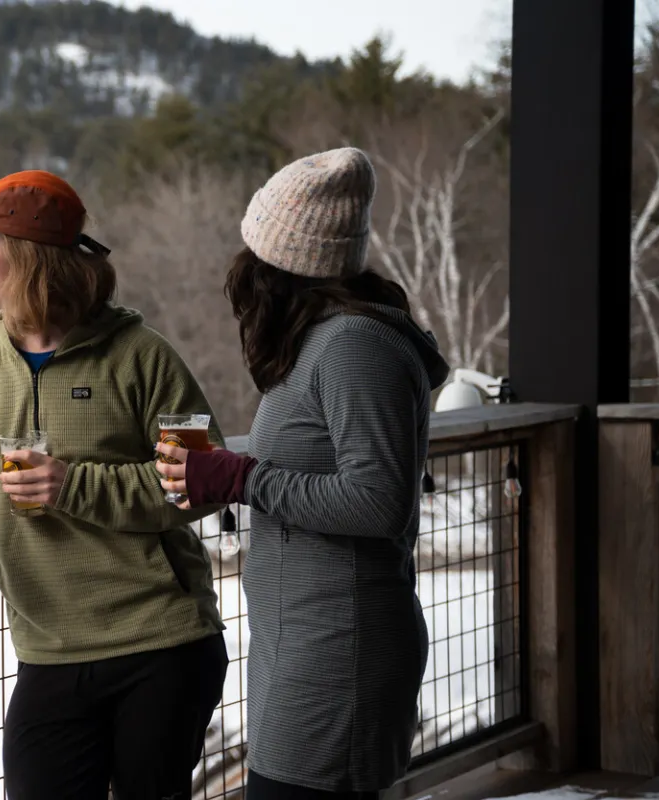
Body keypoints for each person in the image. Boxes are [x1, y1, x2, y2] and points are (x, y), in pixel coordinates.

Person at [0, 170, 229, 800]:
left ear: (26, 258)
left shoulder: (144, 356)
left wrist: (72, 487)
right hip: (47, 651)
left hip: (163, 643)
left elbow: (200, 483)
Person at [155, 147, 449, 800]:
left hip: (338, 654)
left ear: (281, 259)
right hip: (306, 646)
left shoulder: (353, 346)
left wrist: (239, 478)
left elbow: (379, 503)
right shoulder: (324, 340)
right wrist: (222, 472)